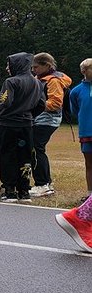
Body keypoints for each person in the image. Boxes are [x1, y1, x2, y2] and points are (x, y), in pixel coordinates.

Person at [0, 53, 45, 203]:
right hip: (27, 126)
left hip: (8, 125)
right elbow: (42, 104)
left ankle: (9, 191)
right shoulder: (37, 83)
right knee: (26, 157)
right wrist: (29, 116)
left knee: (7, 156)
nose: (7, 68)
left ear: (16, 65)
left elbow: (3, 101)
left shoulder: (11, 81)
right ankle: (24, 191)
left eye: (8, 65)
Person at [54, 58, 92, 253]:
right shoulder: (77, 91)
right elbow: (75, 109)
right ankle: (82, 214)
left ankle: (82, 215)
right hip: (87, 131)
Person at [30, 52, 72, 197]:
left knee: (36, 149)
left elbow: (55, 103)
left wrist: (34, 104)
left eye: (36, 67)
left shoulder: (53, 80)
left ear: (46, 66)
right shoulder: (41, 78)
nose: (33, 70)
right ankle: (45, 182)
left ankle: (42, 184)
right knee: (36, 149)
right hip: (40, 118)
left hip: (47, 119)